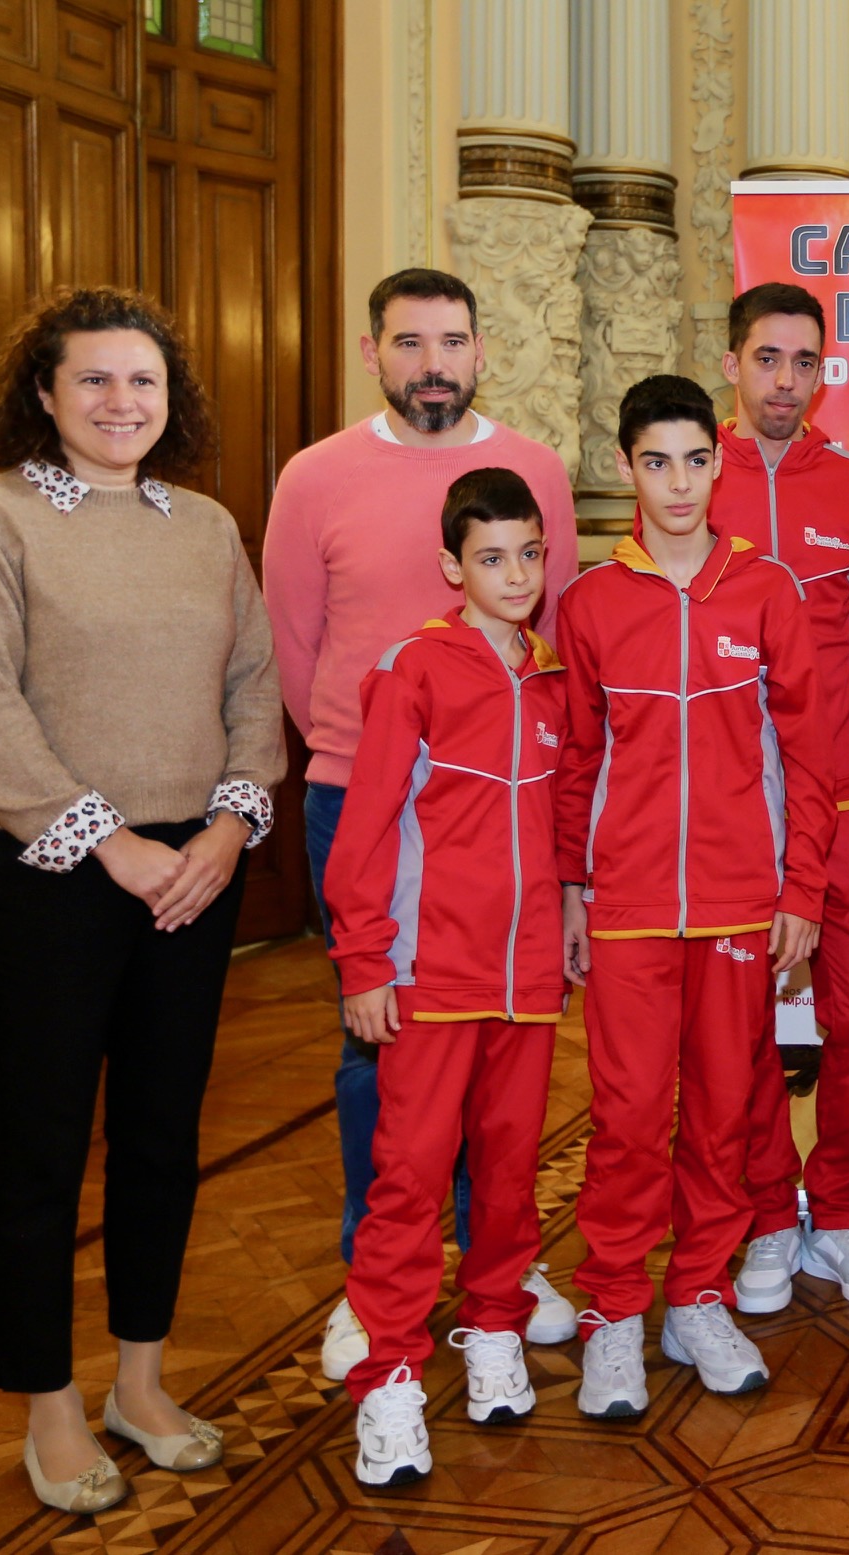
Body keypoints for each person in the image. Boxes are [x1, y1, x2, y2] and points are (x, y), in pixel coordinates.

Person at [0, 286, 282, 1515]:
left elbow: (256, 684)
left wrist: (229, 826)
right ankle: (49, 1404)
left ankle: (140, 1381)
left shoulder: (204, 525)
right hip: (52, 877)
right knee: (42, 1144)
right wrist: (110, 842)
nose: (123, 402)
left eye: (144, 381)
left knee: (163, 1137)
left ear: (172, 398)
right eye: (95, 379)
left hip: (196, 875)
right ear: (44, 391)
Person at [262, 268, 581, 1380]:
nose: (432, 363)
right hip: (364, 794)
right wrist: (361, 757)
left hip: (501, 799)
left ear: (481, 351)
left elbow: (552, 633)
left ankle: (501, 1266)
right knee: (380, 1048)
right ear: (374, 353)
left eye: (452, 341)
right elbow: (294, 642)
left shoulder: (534, 470)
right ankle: (374, 1277)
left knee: (503, 1058)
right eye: (409, 342)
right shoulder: (315, 477)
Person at [555, 375, 835, 1416]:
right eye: (657, 462)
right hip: (627, 907)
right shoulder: (589, 602)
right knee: (628, 1119)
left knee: (722, 1117)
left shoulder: (766, 589)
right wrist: (573, 888)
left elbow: (809, 752)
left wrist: (802, 885)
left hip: (739, 905)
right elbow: (575, 761)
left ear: (720, 463)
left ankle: (698, 1294)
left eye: (696, 461)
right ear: (626, 467)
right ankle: (613, 1312)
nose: (679, 483)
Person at [322, 469, 571, 1487]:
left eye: (529, 554)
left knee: (508, 1176)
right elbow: (366, 827)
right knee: (411, 1179)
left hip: (528, 978)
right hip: (431, 974)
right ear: (451, 566)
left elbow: (562, 827)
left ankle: (495, 1332)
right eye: (492, 558)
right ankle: (387, 1379)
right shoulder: (413, 668)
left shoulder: (553, 677)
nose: (515, 575)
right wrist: (365, 959)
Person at [712, 282, 849, 1314]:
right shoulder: (695, 477)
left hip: (843, 802)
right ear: (733, 364)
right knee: (736, 1029)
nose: (785, 381)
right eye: (768, 359)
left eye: (804, 362)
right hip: (732, 810)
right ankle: (765, 1216)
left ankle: (836, 1213)